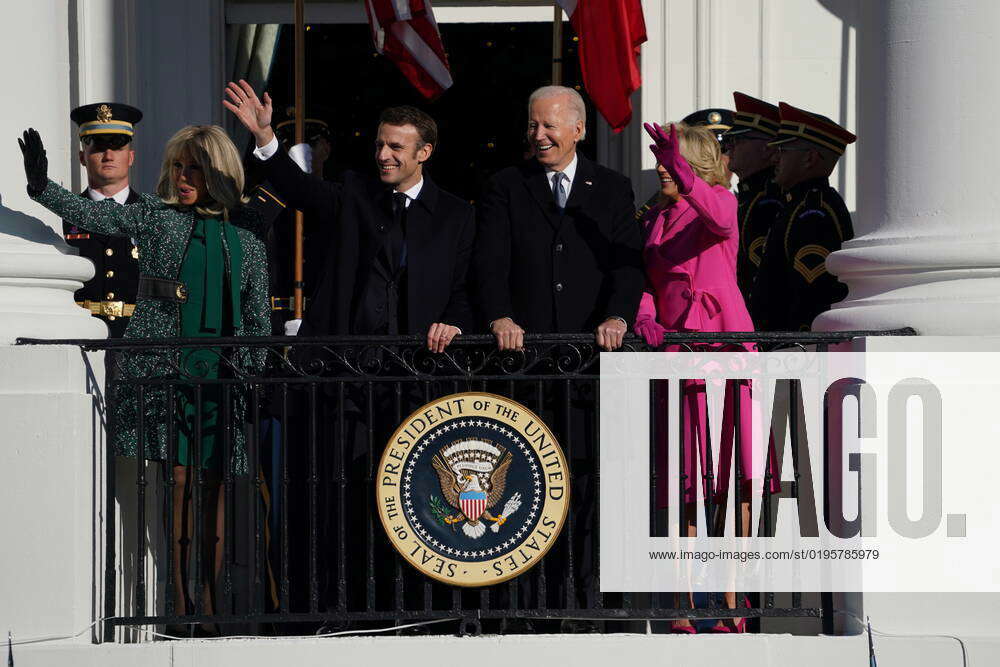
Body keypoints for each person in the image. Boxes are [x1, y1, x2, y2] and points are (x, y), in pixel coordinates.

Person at [18, 124, 270, 635]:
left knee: (216, 486)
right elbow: (94, 214)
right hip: (165, 373)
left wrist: (252, 369)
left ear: (219, 173)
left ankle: (214, 601)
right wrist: (44, 187)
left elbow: (259, 320)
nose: (182, 177)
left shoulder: (248, 243)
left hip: (223, 379)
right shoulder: (156, 218)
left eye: (194, 168)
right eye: (178, 166)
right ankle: (182, 606)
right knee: (179, 483)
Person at [635, 121, 774, 633]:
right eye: (661, 163)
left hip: (725, 349)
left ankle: (733, 601)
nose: (661, 169)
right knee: (685, 476)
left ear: (694, 165)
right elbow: (648, 273)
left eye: (671, 162)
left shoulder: (721, 200)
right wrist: (645, 314)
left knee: (733, 477)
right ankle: (684, 598)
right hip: (677, 352)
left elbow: (715, 221)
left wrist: (687, 176)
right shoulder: (654, 216)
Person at [225, 79, 473, 345]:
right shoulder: (356, 194)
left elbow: (464, 287)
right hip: (352, 363)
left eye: (396, 147)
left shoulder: (455, 215)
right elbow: (300, 188)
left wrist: (453, 325)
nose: (383, 155)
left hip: (419, 362)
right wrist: (264, 136)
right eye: (380, 145)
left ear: (424, 152)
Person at [474, 85, 644, 351]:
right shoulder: (506, 185)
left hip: (594, 349)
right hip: (523, 349)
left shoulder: (612, 187)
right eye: (533, 125)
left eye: (548, 126)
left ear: (577, 130)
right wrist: (500, 316)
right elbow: (490, 261)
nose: (538, 135)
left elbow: (627, 262)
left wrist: (617, 316)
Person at [750, 102, 856, 331]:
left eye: (783, 151)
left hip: (795, 352)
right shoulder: (795, 205)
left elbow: (812, 295)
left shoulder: (813, 213)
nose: (775, 159)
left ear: (809, 158)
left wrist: (799, 347)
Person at [63, 103, 144, 337]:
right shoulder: (63, 215)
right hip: (81, 335)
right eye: (98, 146)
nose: (108, 155)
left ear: (130, 157)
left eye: (117, 146)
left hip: (137, 341)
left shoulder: (152, 214)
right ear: (82, 156)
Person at [720, 92, 784, 309]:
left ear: (768, 148)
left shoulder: (769, 202)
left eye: (739, 140)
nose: (729, 147)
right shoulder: (747, 199)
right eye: (730, 140)